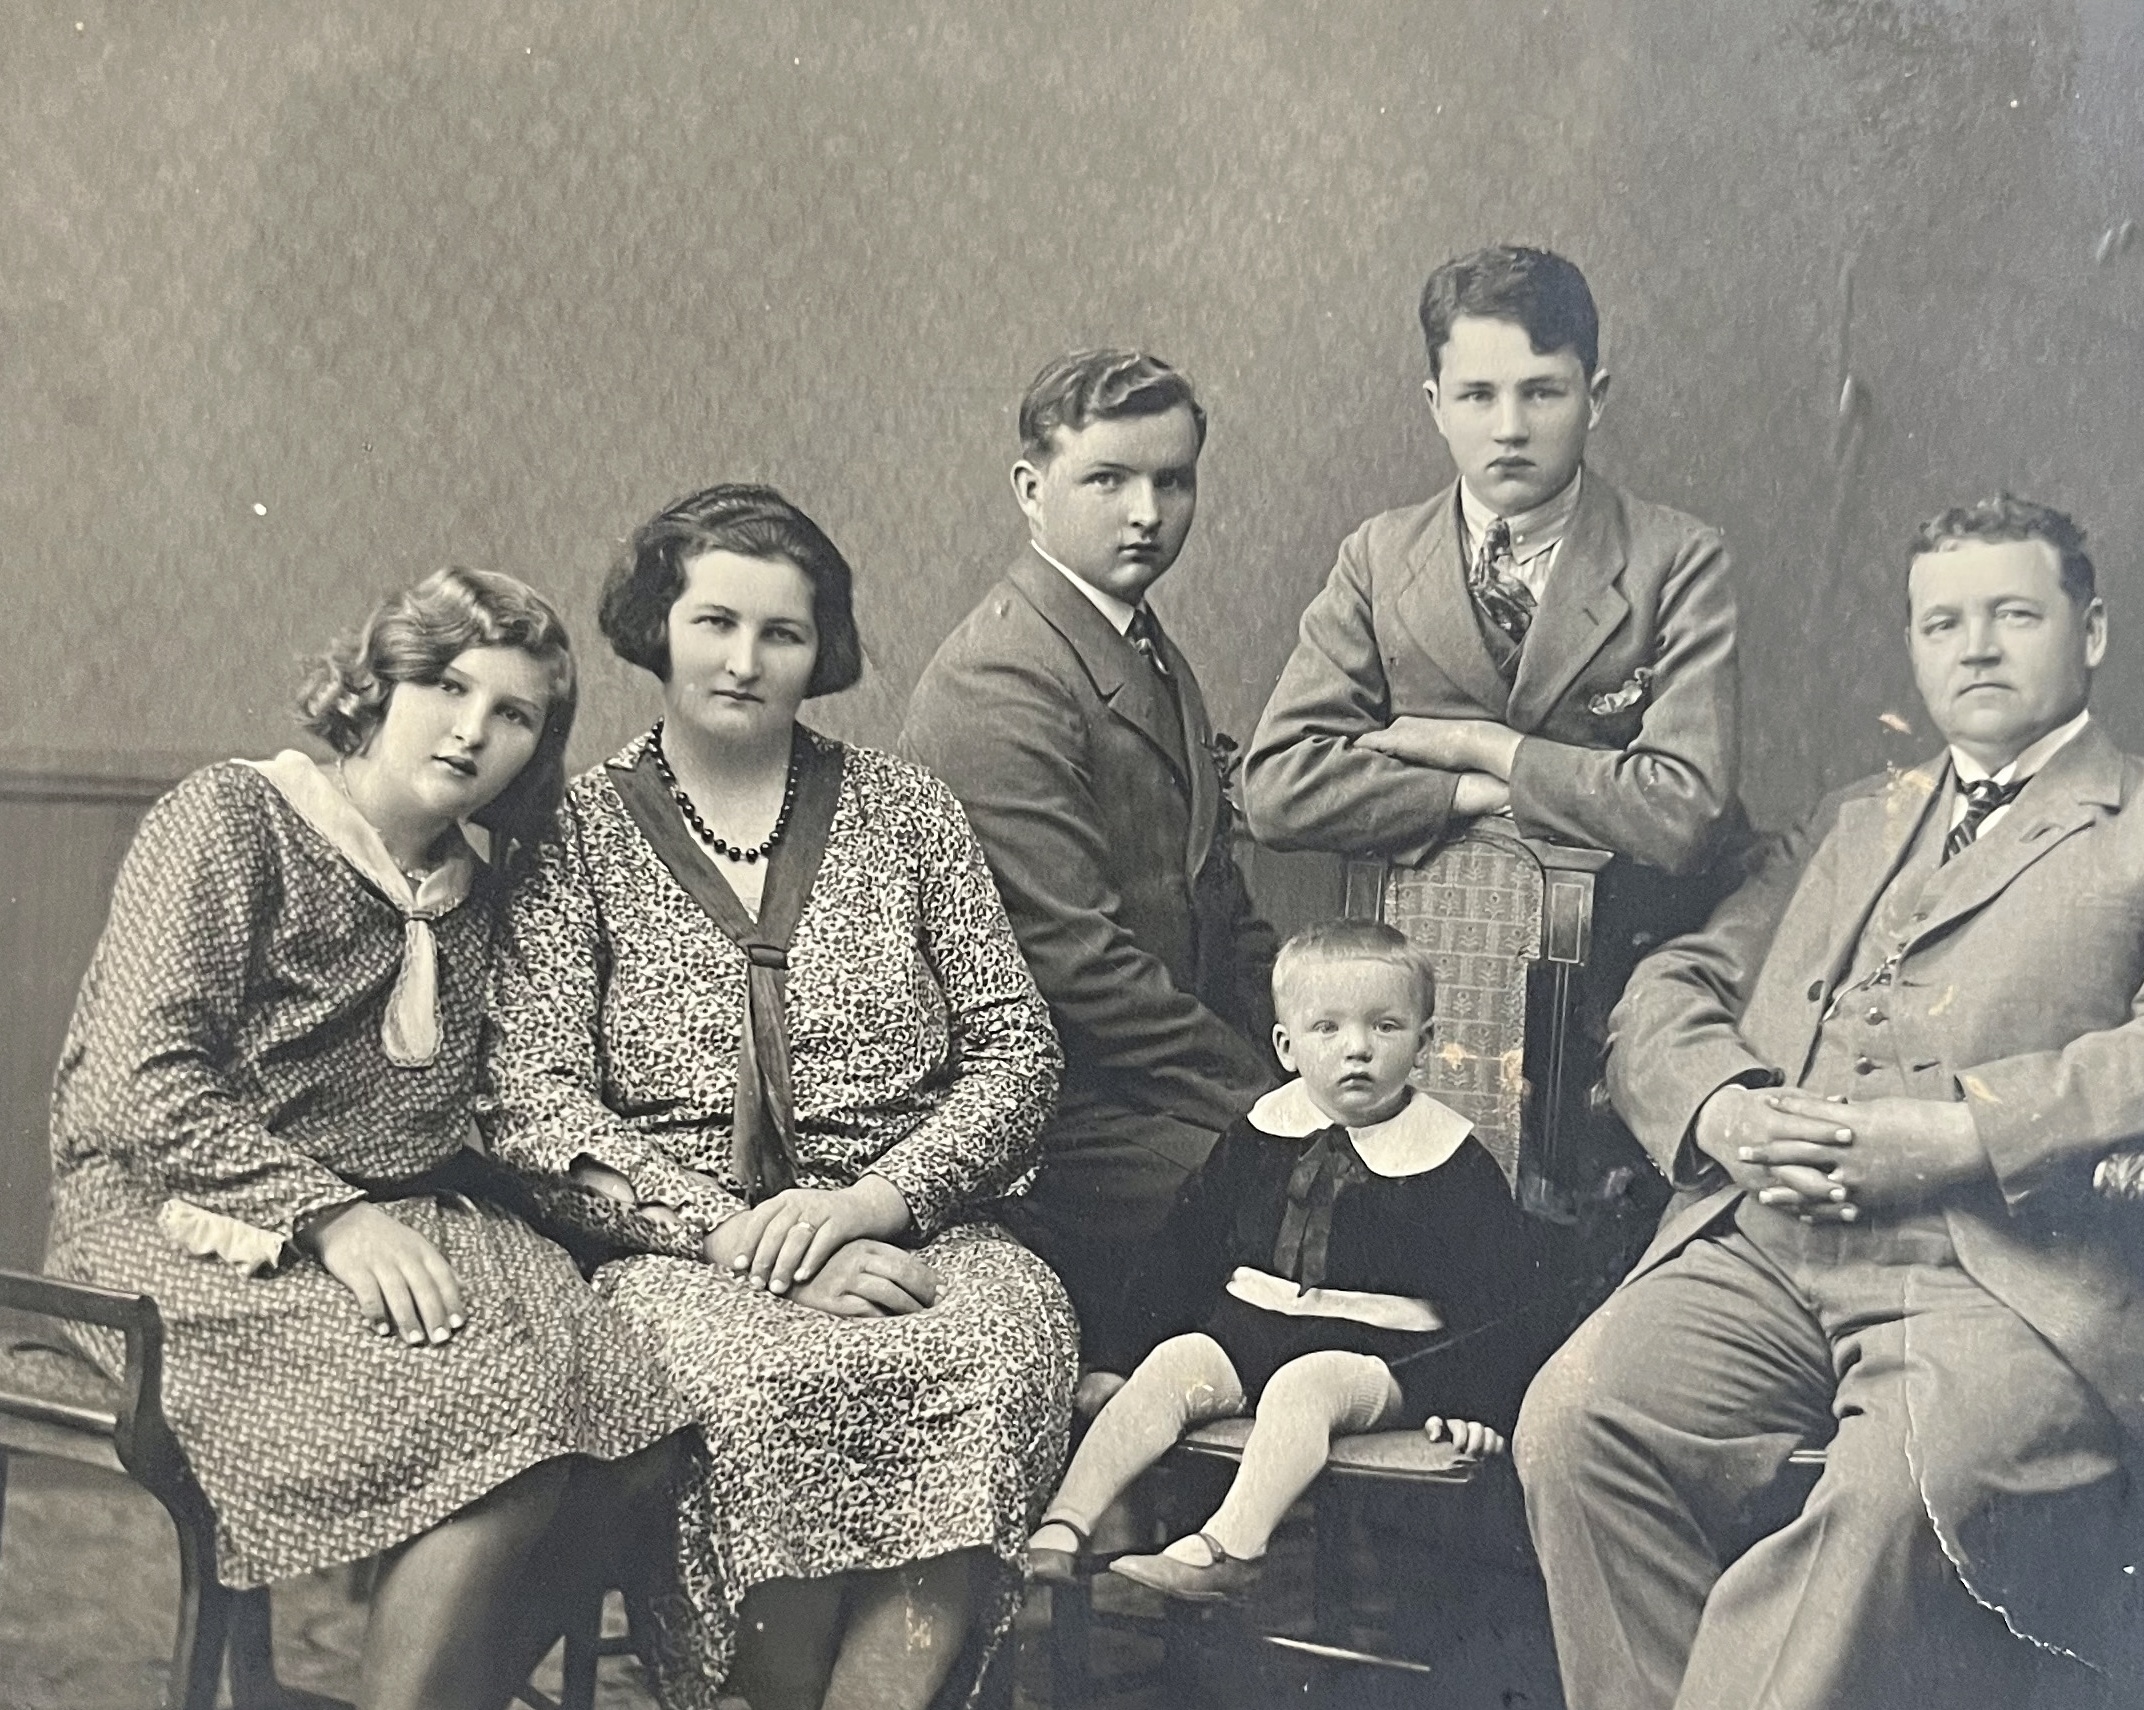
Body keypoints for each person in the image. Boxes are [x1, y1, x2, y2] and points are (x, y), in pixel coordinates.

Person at [1513, 495, 2144, 1709]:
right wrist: (1721, 1108)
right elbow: (1678, 983)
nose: (1973, 648)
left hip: (2003, 1275)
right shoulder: (1852, 818)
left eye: (2011, 616)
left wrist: (1961, 1132)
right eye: (1941, 624)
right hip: (1769, 1246)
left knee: (1886, 1502)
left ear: (2089, 632)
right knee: (1575, 1422)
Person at [44, 568, 690, 1710]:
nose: (471, 730)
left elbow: (507, 1105)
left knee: (636, 1432)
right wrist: (331, 1219)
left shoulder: (483, 894)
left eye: (513, 714)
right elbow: (142, 1083)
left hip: (395, 1209)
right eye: (447, 687)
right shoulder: (232, 818)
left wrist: (706, 1223)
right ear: (379, 685)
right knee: (506, 1429)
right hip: (179, 1221)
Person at [482, 483, 1079, 1710]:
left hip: (919, 1232)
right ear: (657, 627)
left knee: (995, 1348)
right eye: (714, 622)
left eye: (782, 633)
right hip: (685, 1253)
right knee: (760, 1387)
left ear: (823, 650)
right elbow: (529, 1097)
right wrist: (741, 1237)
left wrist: (869, 1204)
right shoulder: (575, 831)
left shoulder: (909, 813)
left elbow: (1018, 1051)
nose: (744, 661)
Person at [899, 350, 1281, 1356]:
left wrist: (1309, 1050)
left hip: (1161, 1084)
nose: (1146, 513)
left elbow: (1221, 904)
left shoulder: (1137, 643)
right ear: (1031, 490)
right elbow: (1075, 966)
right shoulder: (1001, 675)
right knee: (1331, 1217)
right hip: (1062, 1119)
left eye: (1172, 481)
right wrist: (1271, 1105)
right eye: (1107, 480)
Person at [1024, 920, 1528, 1601]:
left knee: (1303, 1384)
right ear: (1287, 1048)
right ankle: (1063, 1527)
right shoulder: (1261, 1133)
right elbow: (1182, 1251)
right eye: (1327, 1028)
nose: (1357, 1048)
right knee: (1173, 1363)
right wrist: (1118, 1355)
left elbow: (1500, 1303)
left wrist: (1474, 1405)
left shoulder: (1452, 1162)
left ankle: (1231, 1547)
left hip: (1382, 1359)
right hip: (1252, 1331)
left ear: (1425, 1043)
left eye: (1385, 1026)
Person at [1243, 242, 1744, 887]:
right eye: (1478, 395)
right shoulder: (1378, 557)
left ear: (1594, 399)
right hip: (1423, 932)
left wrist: (1481, 746)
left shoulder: (1676, 560)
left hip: (1624, 937)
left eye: (1541, 393)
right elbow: (1278, 786)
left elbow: (1684, 808)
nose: (1510, 428)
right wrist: (1468, 793)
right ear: (1436, 406)